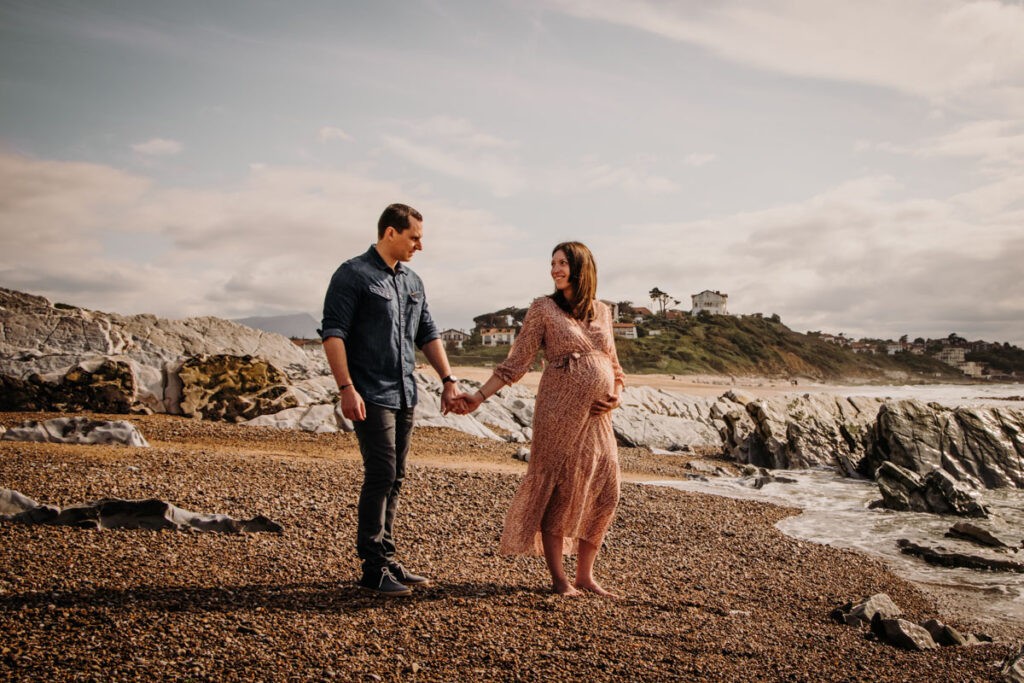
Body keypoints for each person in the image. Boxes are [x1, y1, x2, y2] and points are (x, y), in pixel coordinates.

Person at [454, 241, 625, 596]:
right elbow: (516, 362)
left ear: (582, 267)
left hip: (598, 417)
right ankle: (560, 578)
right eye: (553, 263)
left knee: (607, 489)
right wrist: (479, 396)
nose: (555, 270)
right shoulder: (543, 308)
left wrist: (617, 394)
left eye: (563, 263)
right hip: (558, 410)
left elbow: (614, 364)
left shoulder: (603, 311)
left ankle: (585, 575)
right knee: (560, 488)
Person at [320, 203, 461, 597]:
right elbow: (333, 333)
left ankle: (387, 555)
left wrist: (448, 379)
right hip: (368, 392)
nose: (420, 245)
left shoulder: (413, 280)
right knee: (380, 473)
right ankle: (372, 567)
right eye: (414, 237)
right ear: (390, 233)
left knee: (396, 477)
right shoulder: (352, 274)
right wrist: (346, 388)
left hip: (405, 393)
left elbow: (428, 332)